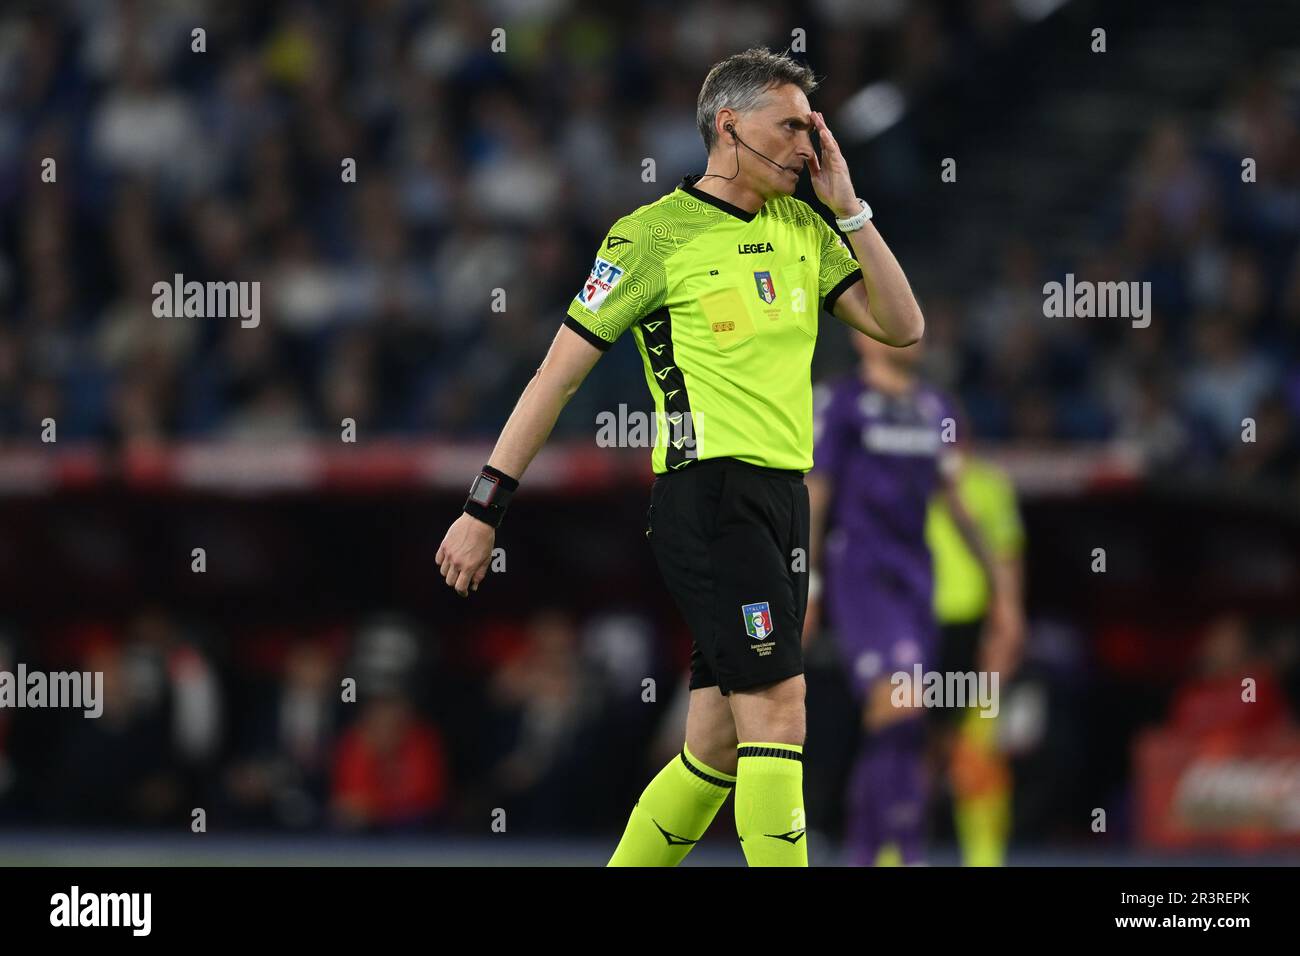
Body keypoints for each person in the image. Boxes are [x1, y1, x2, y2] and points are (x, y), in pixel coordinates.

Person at [437, 47, 924, 866]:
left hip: (783, 499)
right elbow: (555, 378)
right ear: (729, 127)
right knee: (778, 713)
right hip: (710, 497)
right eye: (794, 126)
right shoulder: (652, 236)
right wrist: (483, 506)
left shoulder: (805, 225)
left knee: (715, 752)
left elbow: (902, 326)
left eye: (815, 128)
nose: (812, 145)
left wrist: (850, 207)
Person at [803, 334, 1024, 865]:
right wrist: (806, 582)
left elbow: (955, 501)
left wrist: (999, 584)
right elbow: (817, 492)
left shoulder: (936, 408)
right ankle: (903, 851)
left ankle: (867, 852)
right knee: (902, 706)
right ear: (859, 335)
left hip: (915, 581)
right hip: (861, 575)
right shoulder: (842, 401)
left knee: (900, 723)